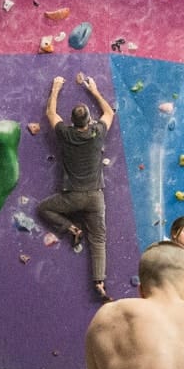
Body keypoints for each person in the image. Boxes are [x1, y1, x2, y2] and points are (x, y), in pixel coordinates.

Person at [39, 73, 115, 302]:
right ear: (89, 120)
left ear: (72, 122)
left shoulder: (65, 133)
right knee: (99, 240)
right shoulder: (97, 133)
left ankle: (71, 228)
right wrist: (93, 90)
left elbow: (51, 113)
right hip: (94, 197)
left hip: (72, 196)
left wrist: (55, 87)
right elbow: (109, 113)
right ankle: (99, 282)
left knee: (44, 208)